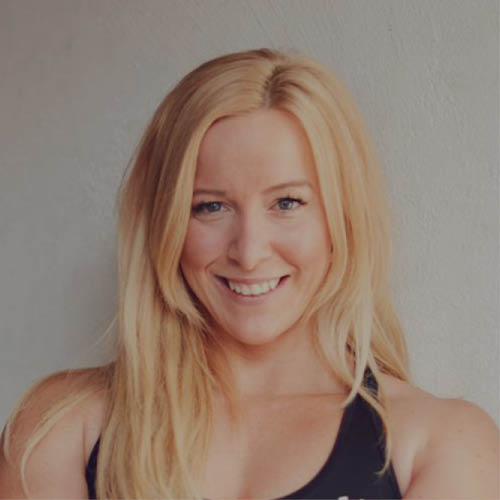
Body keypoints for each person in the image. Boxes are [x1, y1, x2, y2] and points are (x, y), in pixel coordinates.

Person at [0, 47, 498, 500]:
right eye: (210, 206)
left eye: (287, 203)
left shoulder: (443, 443)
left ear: (342, 220)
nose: (250, 252)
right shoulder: (58, 427)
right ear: (163, 225)